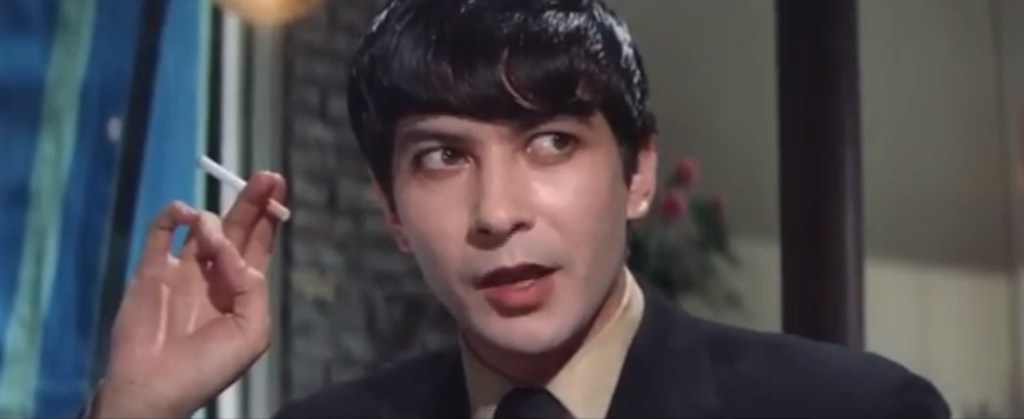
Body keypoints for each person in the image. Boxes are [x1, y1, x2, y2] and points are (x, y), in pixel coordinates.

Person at [88, 0, 951, 417]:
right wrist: (135, 409)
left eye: (551, 143)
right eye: (442, 157)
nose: (497, 212)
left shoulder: (852, 412)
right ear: (392, 211)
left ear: (638, 173)